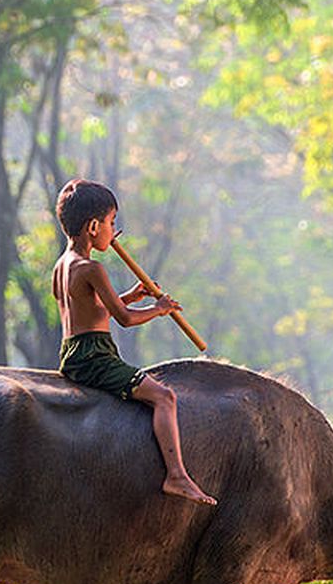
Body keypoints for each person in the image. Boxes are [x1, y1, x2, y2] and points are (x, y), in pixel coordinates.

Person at [51, 179, 216, 505]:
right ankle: (176, 476)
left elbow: (95, 311)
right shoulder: (92, 268)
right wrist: (159, 309)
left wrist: (131, 295)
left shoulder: (63, 266)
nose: (114, 232)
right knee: (165, 397)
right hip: (95, 357)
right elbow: (124, 319)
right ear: (93, 227)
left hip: (72, 352)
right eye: (112, 223)